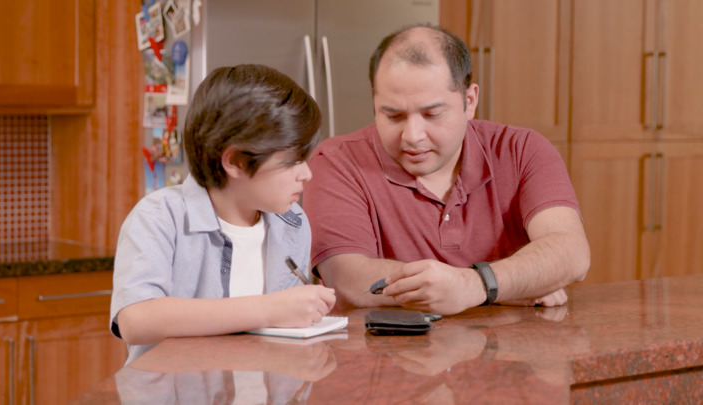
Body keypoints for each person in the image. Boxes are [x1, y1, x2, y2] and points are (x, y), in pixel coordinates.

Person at [302, 25, 590, 315]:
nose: (412, 136)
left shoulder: (522, 150)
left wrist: (475, 286)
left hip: (508, 342)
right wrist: (504, 285)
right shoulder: (336, 161)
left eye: (432, 114)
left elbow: (571, 251)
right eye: (393, 116)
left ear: (469, 101)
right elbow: (348, 280)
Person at [110, 64, 336, 364]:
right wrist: (269, 309)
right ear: (237, 162)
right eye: (292, 161)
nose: (306, 173)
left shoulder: (292, 222)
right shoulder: (160, 217)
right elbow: (135, 320)